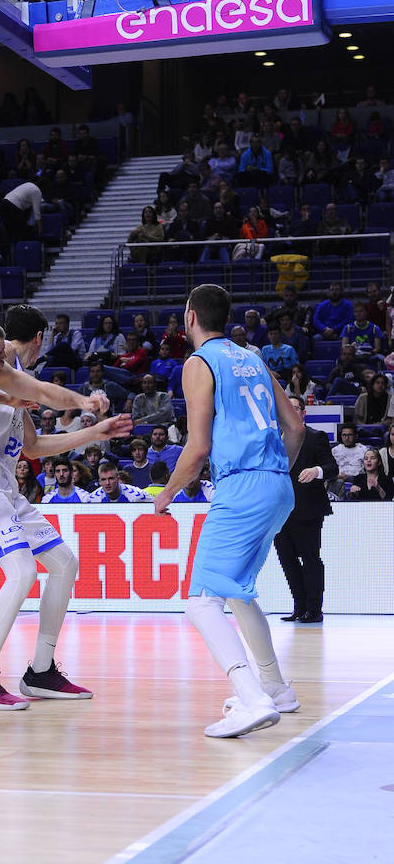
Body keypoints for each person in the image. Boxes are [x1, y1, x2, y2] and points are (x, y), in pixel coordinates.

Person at [0, 304, 129, 709]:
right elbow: (45, 394)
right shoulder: (5, 359)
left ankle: (41, 670)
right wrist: (86, 402)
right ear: (39, 340)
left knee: (64, 563)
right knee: (22, 572)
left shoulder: (14, 383)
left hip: (6, 486)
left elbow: (33, 447)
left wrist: (93, 433)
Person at [154, 283, 305, 738]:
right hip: (278, 484)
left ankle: (252, 697)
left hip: (242, 484)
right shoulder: (254, 358)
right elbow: (295, 426)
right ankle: (276, 688)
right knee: (238, 591)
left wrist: (167, 493)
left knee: (201, 598)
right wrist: (274, 473)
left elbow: (197, 447)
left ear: (191, 317)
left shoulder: (199, 362)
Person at [273, 397, 337, 625]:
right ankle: (299, 608)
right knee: (287, 560)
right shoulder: (274, 440)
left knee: (310, 559)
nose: (289, 411)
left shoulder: (315, 437)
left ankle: (314, 609)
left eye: (294, 407)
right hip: (279, 512)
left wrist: (316, 470)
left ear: (303, 412)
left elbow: (332, 468)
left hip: (307, 509)